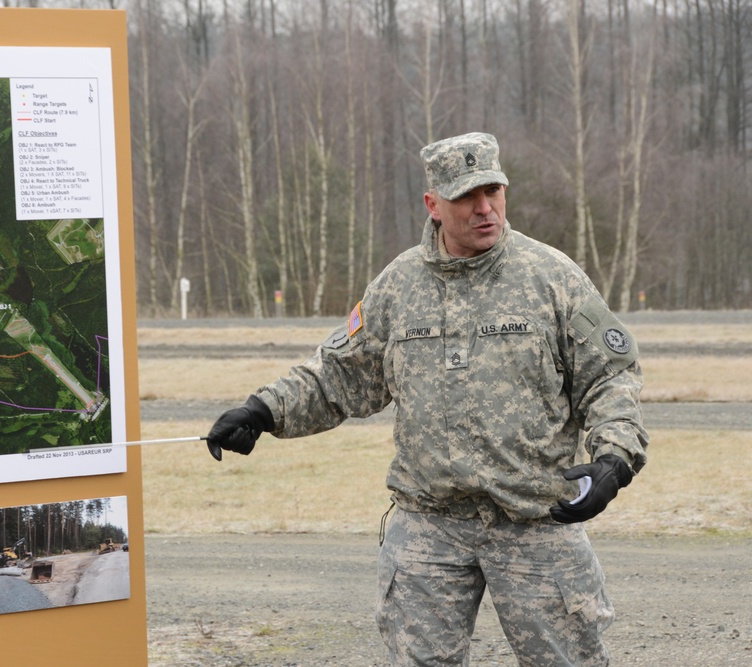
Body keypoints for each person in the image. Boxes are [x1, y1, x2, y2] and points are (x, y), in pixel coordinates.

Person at [205, 131, 648, 666]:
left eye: (493, 191)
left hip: (536, 520)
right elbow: (337, 377)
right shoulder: (398, 287)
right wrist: (264, 409)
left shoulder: (552, 278)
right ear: (433, 204)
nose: (485, 209)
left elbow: (611, 376)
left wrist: (613, 459)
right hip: (429, 527)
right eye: (466, 197)